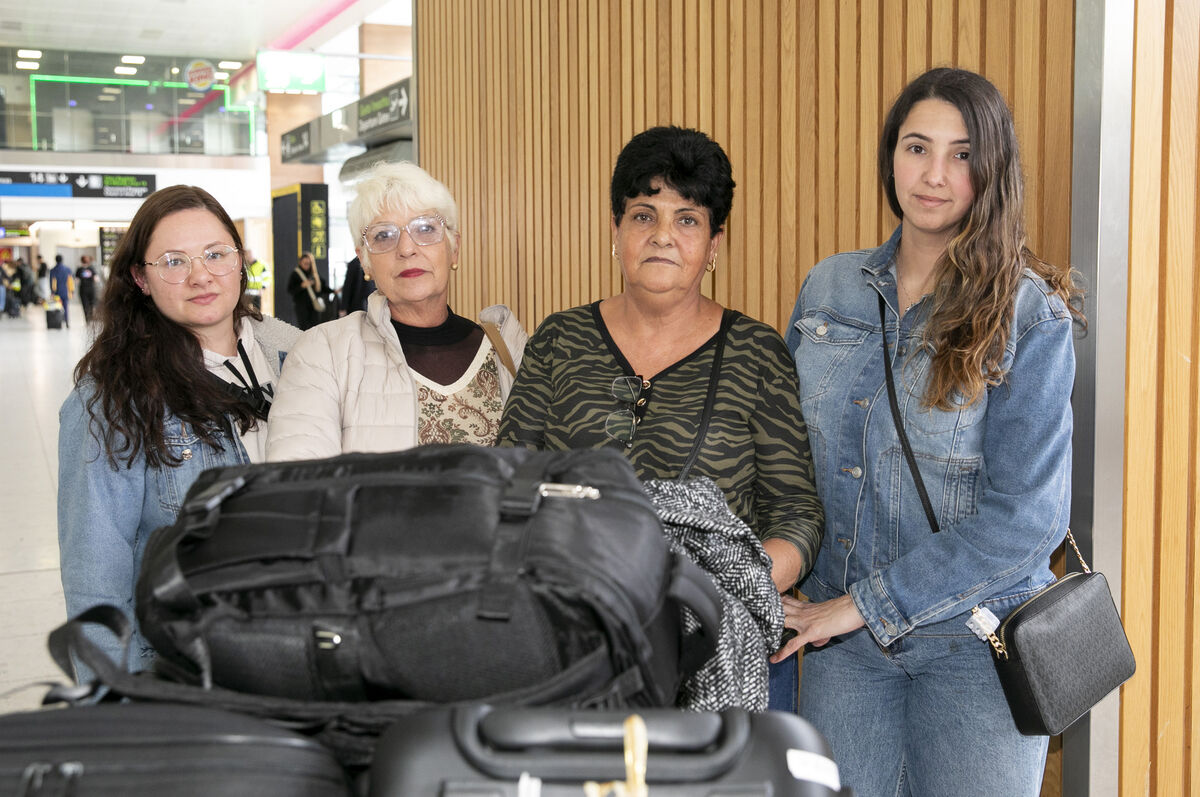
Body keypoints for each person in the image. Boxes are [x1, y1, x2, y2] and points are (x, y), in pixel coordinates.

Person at [781, 67, 1084, 797]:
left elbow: (1027, 520)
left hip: (974, 647)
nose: (936, 175)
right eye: (918, 147)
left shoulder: (1027, 315)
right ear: (891, 156)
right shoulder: (830, 287)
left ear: (991, 170)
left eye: (961, 154)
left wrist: (866, 604)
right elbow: (790, 457)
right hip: (842, 649)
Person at [497, 126, 824, 711]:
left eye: (688, 219)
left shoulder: (756, 353)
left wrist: (711, 591)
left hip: (713, 648)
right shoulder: (559, 341)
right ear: (616, 232)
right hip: (568, 640)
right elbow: (507, 483)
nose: (663, 237)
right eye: (643, 216)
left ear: (715, 244)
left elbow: (797, 515)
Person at [58, 185, 299, 676]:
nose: (200, 276)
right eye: (172, 261)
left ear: (239, 259)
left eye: (215, 254)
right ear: (140, 278)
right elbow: (96, 577)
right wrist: (116, 701)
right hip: (190, 665)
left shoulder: (296, 352)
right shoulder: (110, 397)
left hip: (305, 645)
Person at [267, 162, 527, 460]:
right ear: (364, 261)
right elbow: (299, 484)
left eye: (426, 229)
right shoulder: (322, 354)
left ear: (454, 247)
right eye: (383, 236)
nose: (406, 249)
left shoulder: (506, 350)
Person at [286, 250, 329, 331]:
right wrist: (302, 286)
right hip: (301, 307)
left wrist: (334, 291)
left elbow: (323, 288)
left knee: (315, 328)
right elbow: (290, 290)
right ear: (300, 262)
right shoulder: (296, 274)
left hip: (314, 306)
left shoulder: (314, 274)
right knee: (304, 328)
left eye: (308, 264)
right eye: (304, 263)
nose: (306, 266)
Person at [48, 254, 73, 327]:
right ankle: (67, 321)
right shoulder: (67, 269)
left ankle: (59, 322)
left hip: (57, 292)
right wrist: (71, 291)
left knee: (58, 307)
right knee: (66, 307)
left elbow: (52, 282)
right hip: (66, 291)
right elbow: (70, 281)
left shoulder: (53, 270)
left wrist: (52, 292)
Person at [75, 255, 99, 323]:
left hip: (83, 289)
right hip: (91, 289)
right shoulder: (91, 268)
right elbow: (96, 279)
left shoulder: (79, 269)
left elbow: (77, 281)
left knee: (85, 305)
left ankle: (87, 320)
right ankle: (91, 318)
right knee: (91, 305)